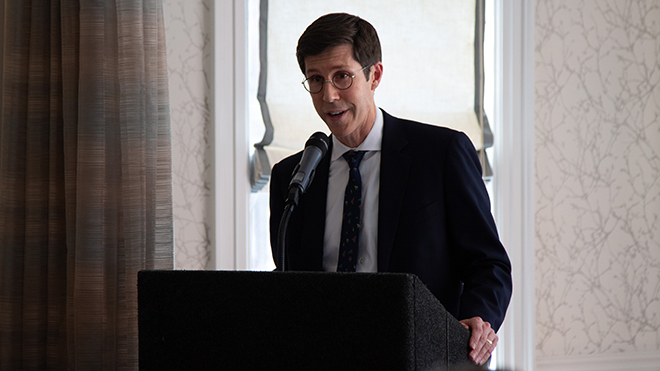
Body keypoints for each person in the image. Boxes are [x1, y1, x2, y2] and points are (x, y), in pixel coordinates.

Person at [269, 13, 512, 366]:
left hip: (422, 356)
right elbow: (288, 279)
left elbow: (488, 263)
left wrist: (478, 318)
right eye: (316, 80)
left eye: (342, 76)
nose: (329, 95)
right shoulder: (291, 175)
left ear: (374, 75)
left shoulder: (441, 153)